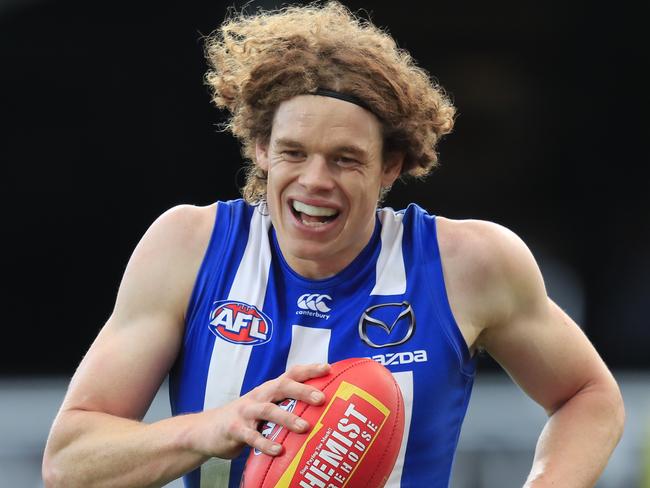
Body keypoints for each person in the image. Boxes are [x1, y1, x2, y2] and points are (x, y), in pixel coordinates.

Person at [42, 2, 625, 487]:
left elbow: (589, 396)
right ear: (262, 150)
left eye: (345, 160)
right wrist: (213, 428)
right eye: (294, 152)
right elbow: (70, 460)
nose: (315, 181)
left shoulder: (468, 263)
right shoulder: (187, 247)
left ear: (390, 167)